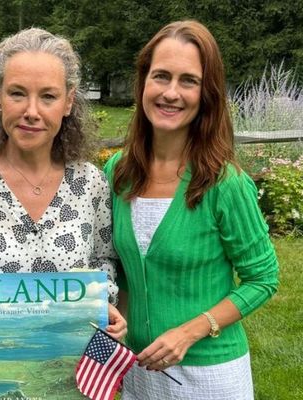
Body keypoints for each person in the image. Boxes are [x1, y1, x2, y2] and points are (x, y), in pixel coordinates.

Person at [103, 20, 279, 399]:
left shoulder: (224, 183)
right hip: (138, 369)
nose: (171, 92)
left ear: (207, 93)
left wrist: (190, 330)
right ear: (143, 82)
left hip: (210, 375)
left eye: (188, 81)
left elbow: (263, 279)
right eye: (161, 76)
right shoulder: (118, 173)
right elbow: (119, 270)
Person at [0, 28, 126, 339]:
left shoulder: (91, 183)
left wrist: (103, 304)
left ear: (68, 102)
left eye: (48, 96)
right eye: (17, 93)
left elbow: (102, 259)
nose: (31, 112)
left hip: (69, 372)